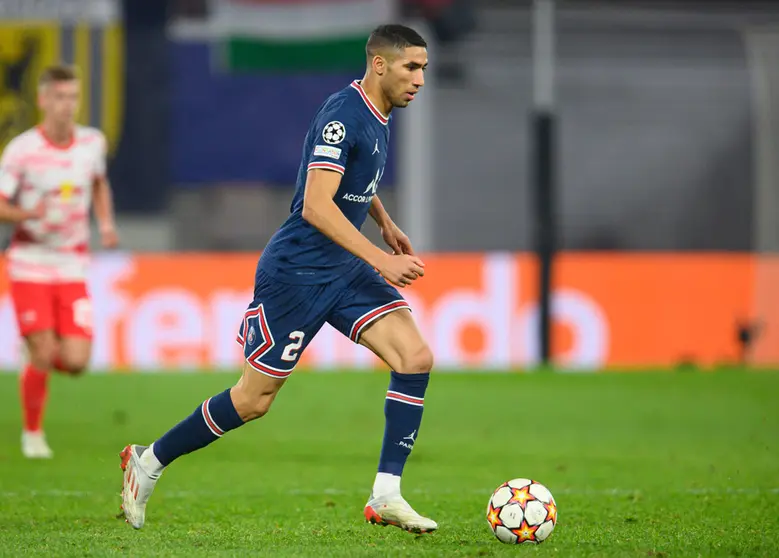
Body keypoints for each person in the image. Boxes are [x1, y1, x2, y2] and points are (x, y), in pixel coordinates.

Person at [119, 24, 436, 534]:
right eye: (411, 67)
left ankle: (386, 494)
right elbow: (315, 206)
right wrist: (381, 258)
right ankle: (148, 461)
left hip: (342, 269)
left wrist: (384, 220)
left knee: (415, 356)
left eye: (423, 67)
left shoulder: (380, 111)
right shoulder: (343, 115)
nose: (420, 78)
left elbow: (355, 177)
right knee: (252, 401)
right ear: (379, 63)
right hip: (296, 274)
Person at [0, 65, 119, 459]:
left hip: (72, 264)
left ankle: (36, 356)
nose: (67, 106)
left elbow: (99, 183)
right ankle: (33, 435)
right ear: (43, 100)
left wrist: (105, 224)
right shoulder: (22, 150)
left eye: (73, 97)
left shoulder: (91, 143)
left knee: (75, 360)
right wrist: (27, 216)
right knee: (43, 351)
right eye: (59, 97)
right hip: (30, 261)